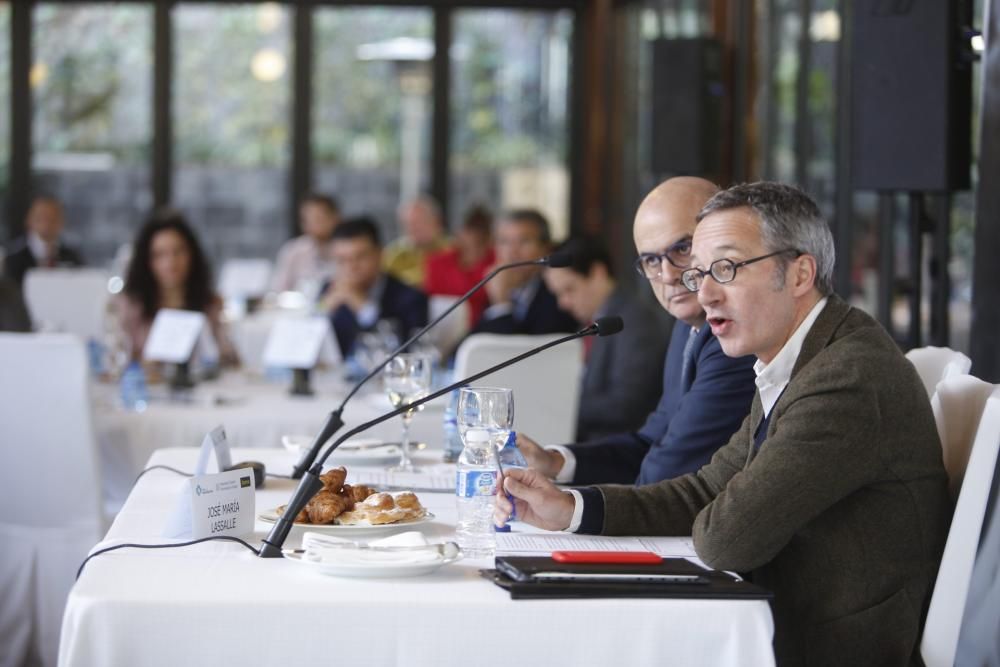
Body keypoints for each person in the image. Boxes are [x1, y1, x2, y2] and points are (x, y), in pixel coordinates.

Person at [497, 182, 951, 666]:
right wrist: (568, 507)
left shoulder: (846, 377)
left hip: (822, 648)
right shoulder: (797, 359)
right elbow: (703, 490)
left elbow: (726, 538)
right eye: (701, 273)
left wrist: (720, 503)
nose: (704, 292)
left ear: (799, 273)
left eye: (727, 269)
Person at [519, 177, 756, 485]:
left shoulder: (735, 340)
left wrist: (574, 506)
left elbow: (668, 472)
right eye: (652, 260)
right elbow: (650, 442)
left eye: (682, 248)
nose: (668, 275)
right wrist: (554, 461)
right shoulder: (686, 328)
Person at [542, 237, 667, 439]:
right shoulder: (591, 319)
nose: (562, 303)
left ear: (597, 273)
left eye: (569, 289)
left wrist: (555, 405)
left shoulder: (633, 321)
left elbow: (625, 406)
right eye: (557, 294)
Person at [118, 209, 238, 365]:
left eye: (178, 252)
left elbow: (231, 360)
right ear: (146, 261)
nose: (170, 263)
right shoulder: (129, 308)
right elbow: (116, 362)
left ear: (192, 254)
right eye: (160, 255)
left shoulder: (211, 305)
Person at [322, 217, 428, 358]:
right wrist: (322, 313)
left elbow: (407, 354)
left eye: (360, 257)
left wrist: (363, 307)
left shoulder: (410, 298)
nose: (351, 267)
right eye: (342, 260)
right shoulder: (329, 290)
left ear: (379, 254)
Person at [471, 209, 576, 336]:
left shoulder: (559, 295)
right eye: (504, 242)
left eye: (524, 242)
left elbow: (519, 352)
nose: (512, 252)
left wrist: (501, 303)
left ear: (546, 248)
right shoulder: (496, 286)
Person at [423, 205, 496, 327]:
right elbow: (430, 301)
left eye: (479, 230)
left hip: (484, 329)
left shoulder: (497, 262)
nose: (473, 237)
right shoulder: (437, 262)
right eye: (469, 230)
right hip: (443, 328)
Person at [3, 196, 84, 288]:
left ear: (62, 221)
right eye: (40, 217)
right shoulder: (12, 257)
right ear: (29, 220)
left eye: (53, 218)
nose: (46, 223)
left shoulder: (72, 257)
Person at [269, 193, 341, 294]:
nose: (313, 225)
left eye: (319, 218)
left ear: (335, 218)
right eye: (307, 220)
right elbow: (277, 291)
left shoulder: (349, 250)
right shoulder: (294, 250)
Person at [382, 196, 450, 288]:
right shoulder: (394, 254)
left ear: (436, 221)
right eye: (408, 224)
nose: (413, 229)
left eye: (419, 222)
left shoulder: (454, 250)